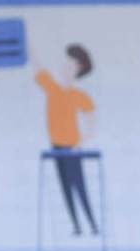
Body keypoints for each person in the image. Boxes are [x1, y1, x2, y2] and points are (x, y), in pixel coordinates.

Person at [35, 44, 97, 236]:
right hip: (56, 147)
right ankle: (76, 226)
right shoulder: (52, 89)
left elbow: (91, 125)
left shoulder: (79, 96)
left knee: (79, 186)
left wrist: (79, 143)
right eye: (65, 63)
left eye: (70, 64)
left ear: (78, 68)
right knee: (65, 187)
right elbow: (37, 65)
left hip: (71, 148)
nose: (64, 67)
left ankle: (92, 225)